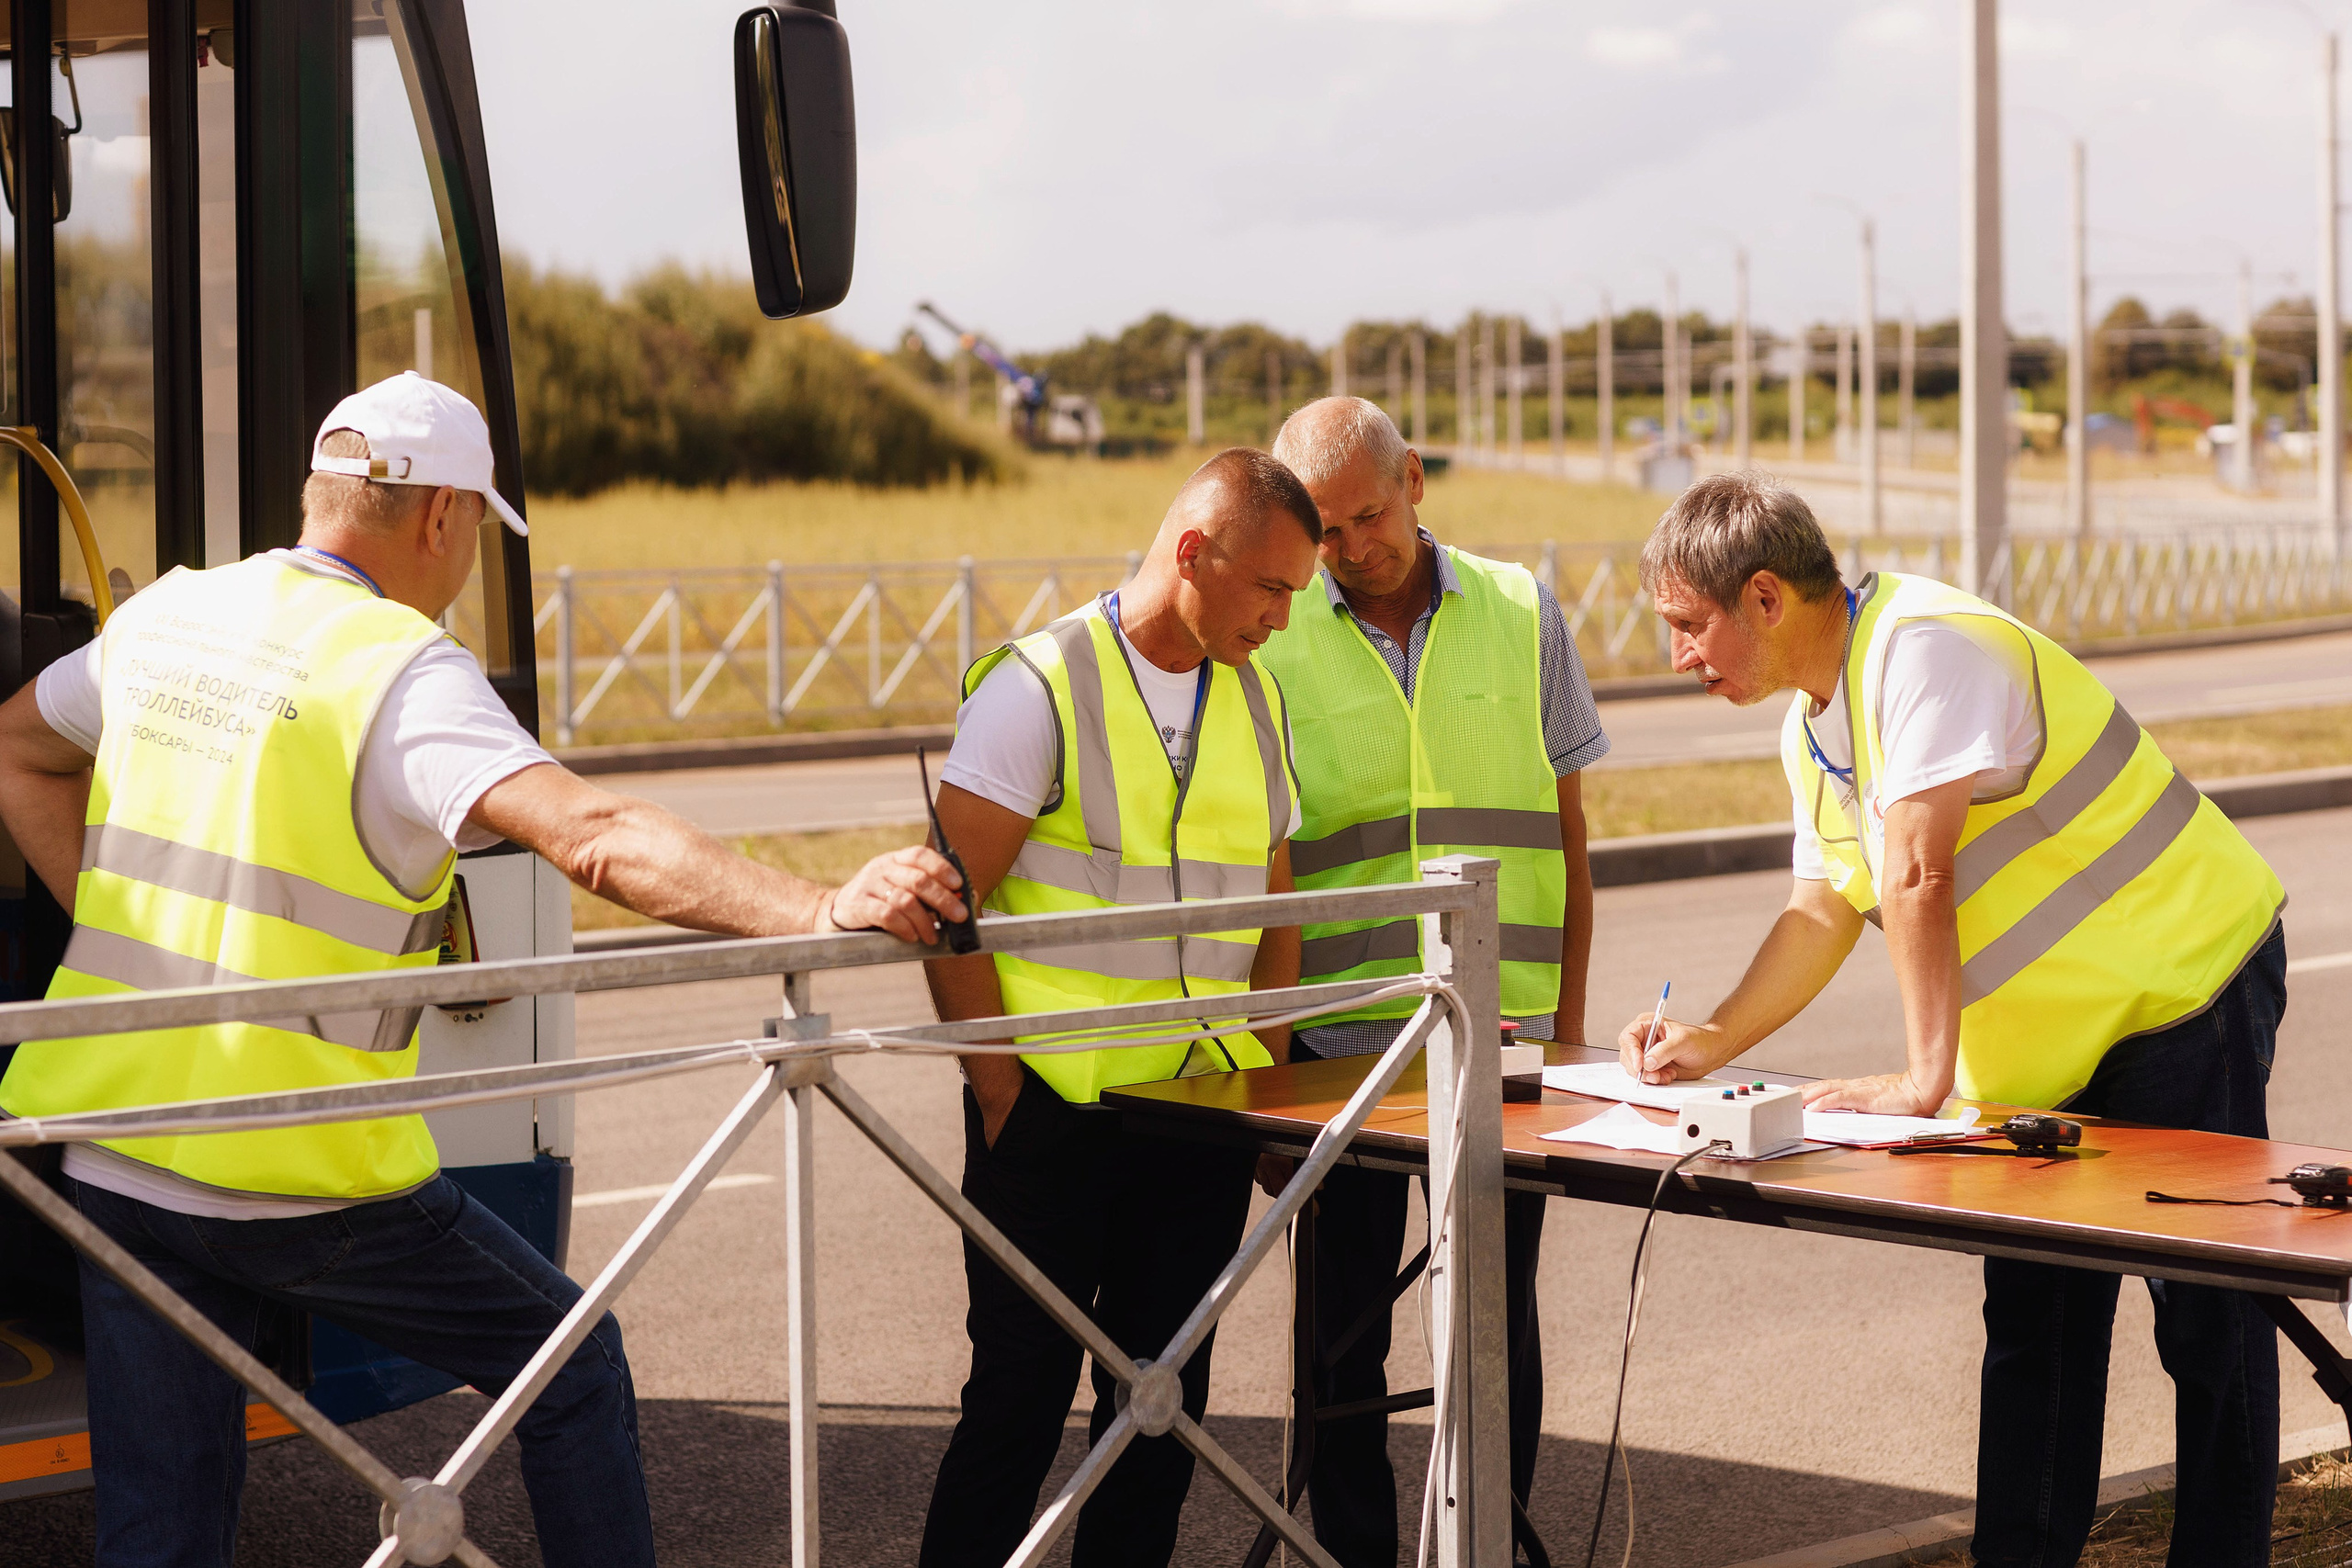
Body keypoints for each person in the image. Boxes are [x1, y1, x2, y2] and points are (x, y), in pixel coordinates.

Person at [0, 371, 968, 1568]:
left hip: (115, 1147)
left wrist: (116, 916)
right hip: (294, 1172)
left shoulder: (171, 616)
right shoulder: (397, 669)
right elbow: (599, 835)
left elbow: (18, 749)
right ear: (444, 516)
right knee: (570, 1362)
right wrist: (820, 900)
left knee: (164, 1522)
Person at [1620, 472, 2287, 1568]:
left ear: (1766, 598)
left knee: (2208, 1317)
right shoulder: (1811, 731)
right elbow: (1822, 907)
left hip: (2183, 988)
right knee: (2035, 1324)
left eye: (1690, 627)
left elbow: (1918, 870)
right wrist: (1713, 1038)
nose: (1680, 656)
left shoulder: (1924, 647)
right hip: (2050, 1054)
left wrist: (1921, 1081)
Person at [917, 448, 1318, 1568]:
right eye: (1271, 589)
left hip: (1196, 1116)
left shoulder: (1255, 695)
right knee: (1014, 1409)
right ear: (1193, 551)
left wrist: (1270, 1084)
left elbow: (1275, 906)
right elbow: (949, 907)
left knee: (1160, 1416)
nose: (1284, 619)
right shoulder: (1037, 686)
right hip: (1051, 1120)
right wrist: (1000, 1096)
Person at [1259, 397, 1609, 1566]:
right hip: (1341, 1054)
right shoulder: (1278, 631)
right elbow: (1268, 869)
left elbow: (1568, 838)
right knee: (1338, 1336)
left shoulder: (1519, 608)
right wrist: (1265, 1069)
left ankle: (1488, 1543)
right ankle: (1352, 1551)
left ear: (1414, 478)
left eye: (1369, 516)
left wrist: (1565, 1039)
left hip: (1506, 1047)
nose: (1352, 551)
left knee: (1493, 1331)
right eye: (1324, 532)